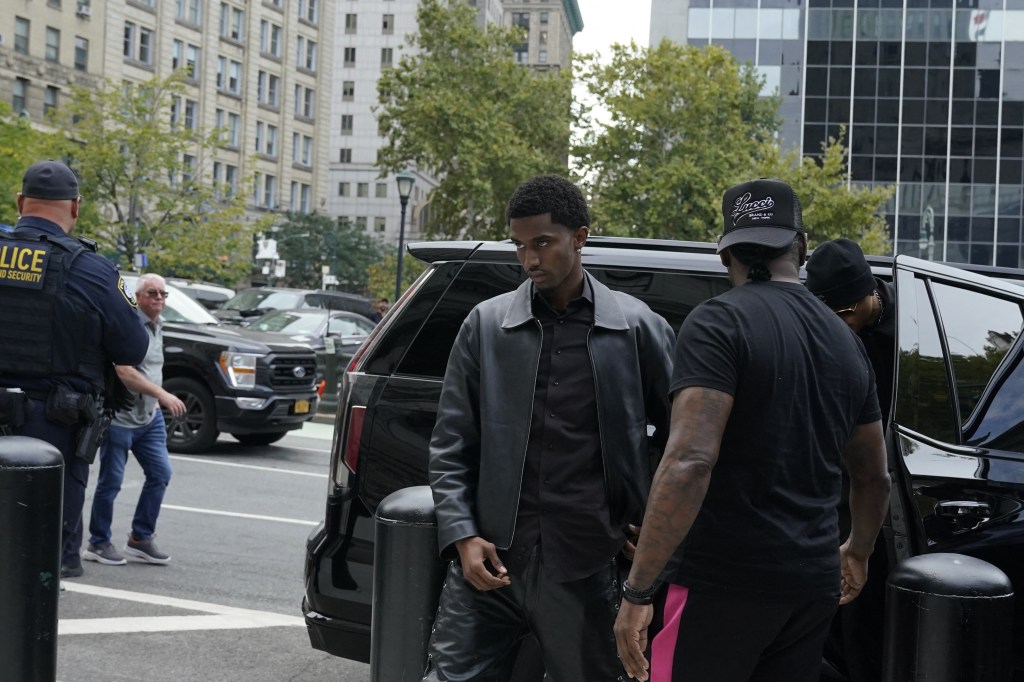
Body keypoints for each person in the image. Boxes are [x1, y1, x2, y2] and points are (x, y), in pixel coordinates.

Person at [613, 178, 891, 682]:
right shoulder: (847, 343)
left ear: (727, 257)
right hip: (809, 586)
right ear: (801, 249)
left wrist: (637, 591)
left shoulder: (717, 323)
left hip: (719, 582)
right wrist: (858, 551)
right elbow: (874, 477)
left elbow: (689, 461)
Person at [424, 174, 675, 681]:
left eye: (542, 243)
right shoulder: (485, 325)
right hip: (491, 565)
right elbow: (451, 442)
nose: (530, 260)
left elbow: (680, 445)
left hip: (588, 564)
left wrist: (650, 523)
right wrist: (463, 534)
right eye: (519, 246)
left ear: (580, 237)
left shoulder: (637, 327)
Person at [0, 160, 149, 579]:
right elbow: (133, 347)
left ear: (19, 202)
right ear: (76, 207)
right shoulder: (93, 270)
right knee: (44, 554)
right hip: (52, 427)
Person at [805, 238, 898, 682]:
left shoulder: (907, 334)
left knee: (866, 631)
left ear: (869, 295)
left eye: (845, 316)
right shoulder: (821, 328)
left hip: (881, 498)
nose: (838, 327)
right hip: (821, 493)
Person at [82, 273, 186, 567]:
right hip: (120, 419)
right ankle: (98, 543)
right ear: (138, 296)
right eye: (152, 293)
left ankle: (140, 539)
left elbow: (152, 368)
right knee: (110, 482)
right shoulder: (129, 325)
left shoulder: (158, 325)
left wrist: (155, 400)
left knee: (161, 473)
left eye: (163, 294)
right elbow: (124, 371)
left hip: (148, 418)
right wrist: (162, 394)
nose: (158, 299)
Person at [805, 238, 896, 420]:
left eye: (845, 311)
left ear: (870, 290)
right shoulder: (818, 330)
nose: (837, 323)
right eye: (828, 315)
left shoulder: (909, 318)